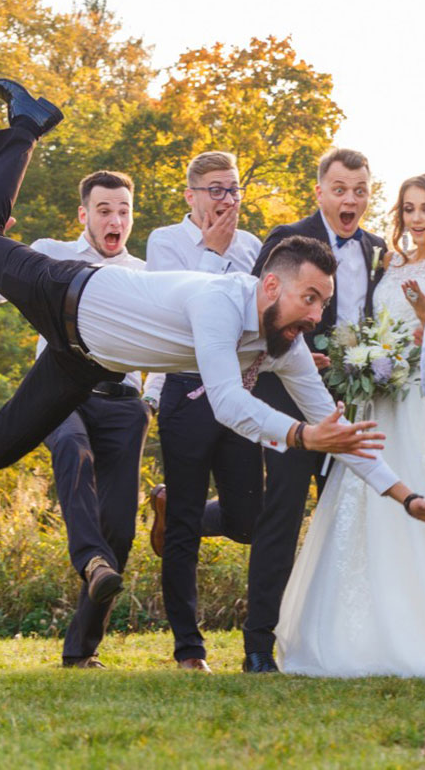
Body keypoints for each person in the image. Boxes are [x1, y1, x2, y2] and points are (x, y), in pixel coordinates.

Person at [0, 80, 425, 589]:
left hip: (86, 359)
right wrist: (305, 434)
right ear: (271, 287)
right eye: (310, 299)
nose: (316, 316)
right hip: (67, 293)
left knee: (0, 445)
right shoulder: (219, 302)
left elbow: (344, 440)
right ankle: (25, 127)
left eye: (323, 304)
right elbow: (228, 404)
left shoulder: (283, 344)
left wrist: (411, 499)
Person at [277, 174, 425, 684]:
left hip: (424, 405)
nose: (415, 218)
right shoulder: (389, 263)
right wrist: (364, 361)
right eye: (408, 208)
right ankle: (363, 631)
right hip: (379, 401)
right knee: (368, 508)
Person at [0, 168, 151, 669]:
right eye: (104, 210)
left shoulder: (147, 274)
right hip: (62, 393)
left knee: (122, 531)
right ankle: (89, 558)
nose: (115, 219)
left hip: (124, 401)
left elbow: (171, 342)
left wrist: (154, 401)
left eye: (123, 211)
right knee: (71, 448)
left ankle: (81, 651)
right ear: (83, 215)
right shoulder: (51, 253)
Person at [243, 148, 388, 673]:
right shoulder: (285, 239)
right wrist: (298, 348)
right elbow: (257, 315)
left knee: (345, 522)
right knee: (280, 515)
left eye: (360, 190)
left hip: (349, 405)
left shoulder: (379, 250)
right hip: (287, 404)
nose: (351, 199)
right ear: (320, 192)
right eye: (341, 188)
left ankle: (339, 644)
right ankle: (258, 645)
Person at [142, 151, 263, 672]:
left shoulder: (254, 247)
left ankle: (168, 506)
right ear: (190, 194)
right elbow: (176, 314)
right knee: (186, 528)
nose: (226, 199)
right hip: (186, 392)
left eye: (233, 189)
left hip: (239, 392)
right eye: (215, 189)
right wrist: (213, 252)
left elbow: (257, 315)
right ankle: (189, 649)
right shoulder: (164, 243)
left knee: (248, 519)